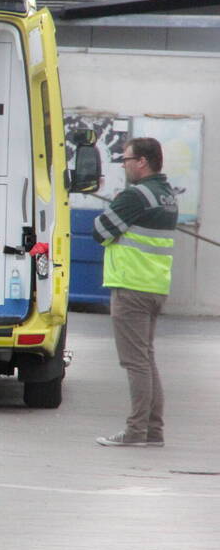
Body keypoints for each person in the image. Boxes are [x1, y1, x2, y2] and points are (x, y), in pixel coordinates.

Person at [93, 137, 178, 448]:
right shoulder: (167, 195)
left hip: (131, 287)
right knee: (146, 359)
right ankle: (153, 431)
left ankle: (136, 431)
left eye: (126, 160)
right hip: (155, 286)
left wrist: (117, 206)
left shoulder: (135, 196)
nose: (125, 165)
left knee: (135, 362)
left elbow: (99, 232)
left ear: (142, 161)